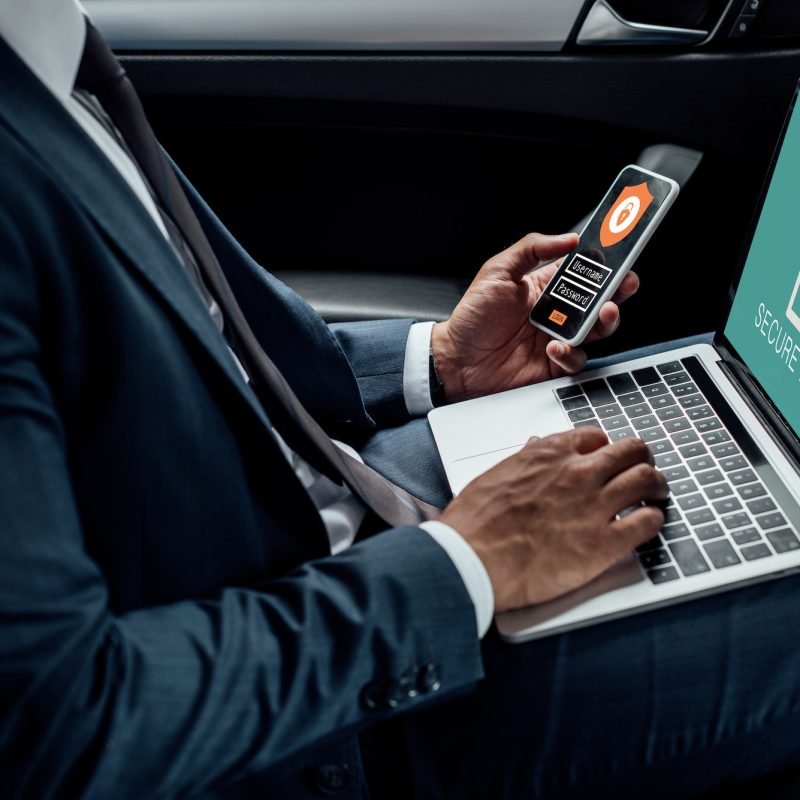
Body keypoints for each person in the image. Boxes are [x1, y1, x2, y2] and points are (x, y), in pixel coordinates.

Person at [2, 2, 800, 799]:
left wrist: (444, 363)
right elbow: (61, 727)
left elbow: (214, 347)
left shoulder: (42, 49)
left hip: (355, 491)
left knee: (736, 406)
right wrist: (467, 564)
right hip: (327, 697)